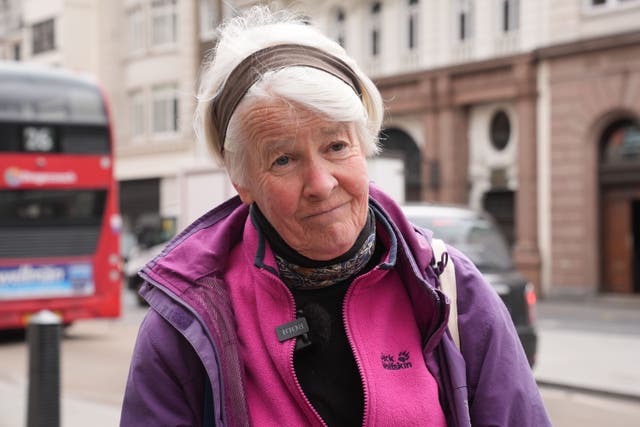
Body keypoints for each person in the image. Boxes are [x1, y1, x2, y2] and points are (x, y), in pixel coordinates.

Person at [120, 5, 551, 427]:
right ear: (243, 183)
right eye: (284, 159)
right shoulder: (185, 327)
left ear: (363, 147)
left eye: (336, 146)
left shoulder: (454, 292)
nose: (321, 183)